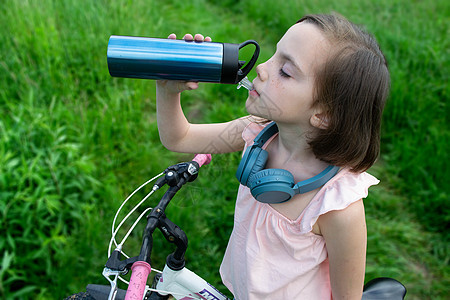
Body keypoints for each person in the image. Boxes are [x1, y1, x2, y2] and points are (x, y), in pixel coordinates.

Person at [155, 13, 390, 300]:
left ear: (324, 115)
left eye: (286, 71)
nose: (263, 68)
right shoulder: (258, 133)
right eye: (274, 55)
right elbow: (178, 137)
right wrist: (168, 90)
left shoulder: (338, 207)